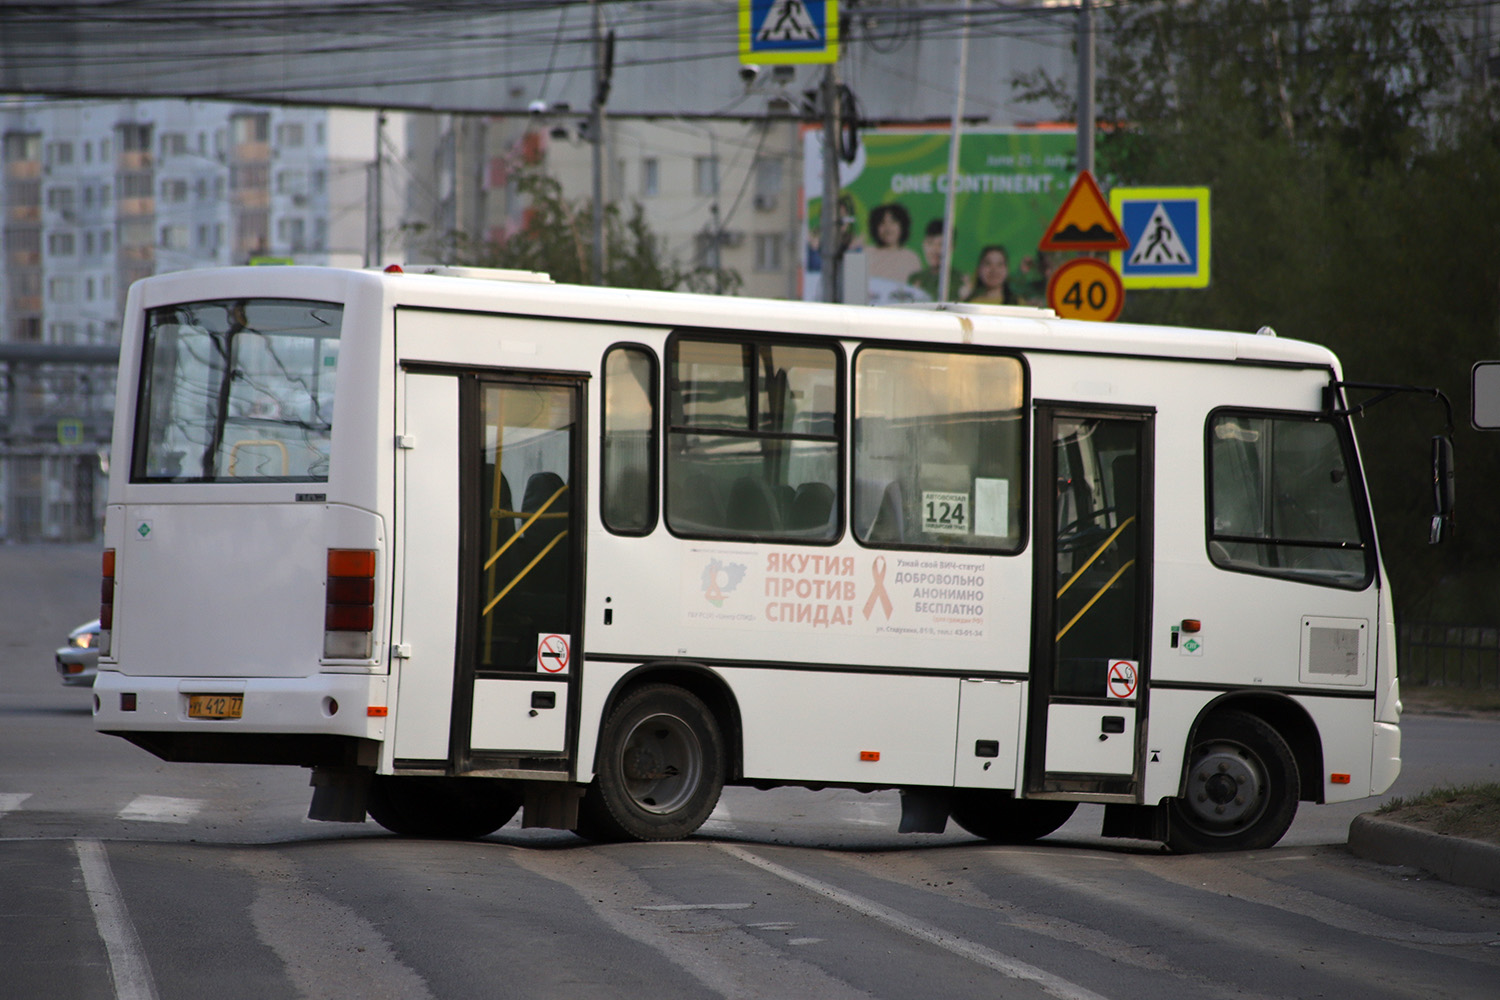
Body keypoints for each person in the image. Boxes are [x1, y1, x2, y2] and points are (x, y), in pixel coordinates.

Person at [905, 218, 968, 301]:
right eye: (930, 243)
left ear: (952, 247)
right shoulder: (915, 279)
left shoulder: (960, 281)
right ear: (923, 245)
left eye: (941, 244)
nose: (934, 249)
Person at [865, 203, 923, 285]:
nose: (888, 228)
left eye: (893, 222)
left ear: (902, 226)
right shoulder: (866, 253)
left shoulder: (911, 257)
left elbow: (916, 290)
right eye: (882, 223)